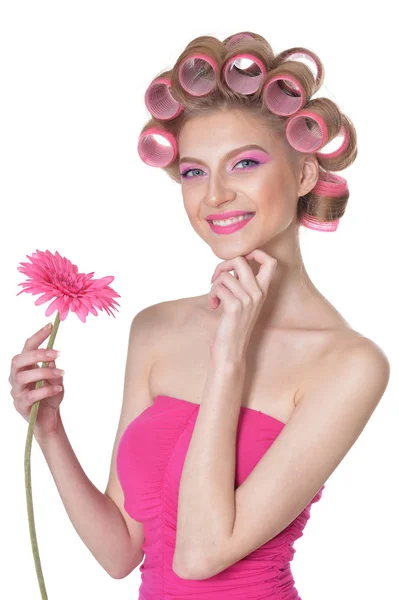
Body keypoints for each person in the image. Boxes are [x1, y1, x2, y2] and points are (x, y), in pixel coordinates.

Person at [10, 31, 391, 597]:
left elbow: (200, 555)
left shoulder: (350, 363)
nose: (214, 195)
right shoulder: (157, 329)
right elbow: (121, 552)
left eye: (244, 163)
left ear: (305, 175)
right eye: (193, 172)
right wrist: (50, 432)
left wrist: (229, 358)